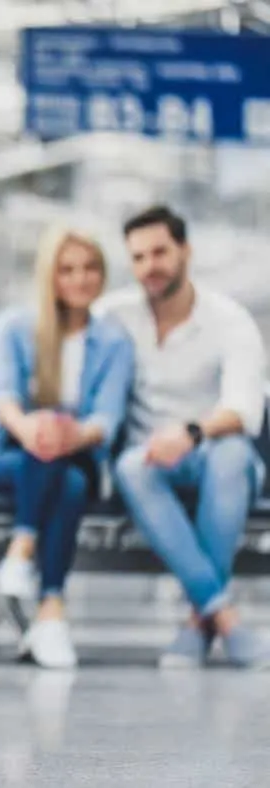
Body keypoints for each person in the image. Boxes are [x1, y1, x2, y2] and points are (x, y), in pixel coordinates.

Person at [97, 204, 270, 670]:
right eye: (138, 257)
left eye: (160, 252)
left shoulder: (229, 321)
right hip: (150, 466)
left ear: (185, 251)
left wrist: (191, 433)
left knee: (232, 455)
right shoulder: (114, 315)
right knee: (133, 466)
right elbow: (61, 337)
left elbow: (244, 410)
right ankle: (222, 615)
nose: (149, 267)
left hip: (217, 457)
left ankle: (198, 621)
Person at [0, 226, 134, 669]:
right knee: (56, 465)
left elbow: (106, 420)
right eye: (67, 269)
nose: (80, 278)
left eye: (91, 268)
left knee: (69, 475)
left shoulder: (114, 342)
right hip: (5, 459)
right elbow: (3, 397)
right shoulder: (14, 328)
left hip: (78, 457)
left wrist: (68, 434)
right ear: (50, 275)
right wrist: (31, 427)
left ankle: (21, 556)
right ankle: (50, 610)